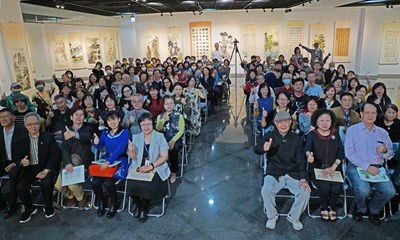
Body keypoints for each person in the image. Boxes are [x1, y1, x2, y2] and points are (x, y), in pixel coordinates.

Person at [254, 112, 310, 231]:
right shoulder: (270, 135)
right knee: (266, 189)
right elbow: (256, 149)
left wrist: (303, 179)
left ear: (291, 122)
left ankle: (294, 216)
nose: (283, 125)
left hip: (293, 173)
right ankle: (272, 216)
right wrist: (263, 148)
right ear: (275, 123)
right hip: (274, 172)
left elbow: (301, 160)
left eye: (286, 122)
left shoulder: (297, 139)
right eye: (279, 122)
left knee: (305, 192)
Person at [345, 103, 396, 225]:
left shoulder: (382, 132)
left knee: (390, 192)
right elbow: (349, 153)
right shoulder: (352, 130)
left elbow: (390, 154)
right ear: (361, 114)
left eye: (373, 113)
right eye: (367, 112)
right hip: (356, 166)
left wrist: (385, 151)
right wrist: (367, 166)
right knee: (363, 190)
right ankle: (361, 208)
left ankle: (374, 209)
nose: (370, 115)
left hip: (378, 168)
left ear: (376, 115)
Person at [15, 112, 61, 223]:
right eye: (29, 124)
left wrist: (46, 170)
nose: (33, 126)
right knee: (21, 186)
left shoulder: (48, 137)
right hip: (30, 168)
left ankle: (48, 205)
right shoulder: (21, 140)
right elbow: (16, 157)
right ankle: (29, 208)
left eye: (35, 123)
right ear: (25, 125)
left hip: (46, 167)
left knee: (46, 183)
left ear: (40, 124)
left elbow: (55, 156)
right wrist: (21, 162)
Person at [127, 112, 170, 223]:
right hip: (139, 166)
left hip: (156, 167)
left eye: (148, 124)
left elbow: (164, 156)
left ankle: (144, 208)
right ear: (140, 126)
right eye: (143, 124)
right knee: (131, 182)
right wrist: (131, 150)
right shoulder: (136, 137)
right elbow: (134, 158)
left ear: (153, 124)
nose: (146, 127)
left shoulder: (159, 136)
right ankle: (138, 204)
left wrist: (151, 166)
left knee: (147, 185)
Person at [305, 109, 344, 221]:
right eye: (321, 120)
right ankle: (324, 207)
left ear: (331, 122)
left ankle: (332, 207)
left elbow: (341, 152)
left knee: (337, 188)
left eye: (327, 120)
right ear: (316, 122)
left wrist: (333, 167)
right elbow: (307, 149)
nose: (324, 123)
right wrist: (309, 155)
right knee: (325, 186)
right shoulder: (312, 134)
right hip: (317, 168)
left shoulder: (335, 133)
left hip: (334, 167)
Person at [92, 111, 129, 218]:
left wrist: (109, 161)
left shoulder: (125, 132)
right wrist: (96, 142)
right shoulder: (105, 132)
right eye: (109, 120)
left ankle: (114, 203)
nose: (112, 122)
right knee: (95, 182)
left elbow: (120, 149)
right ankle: (101, 202)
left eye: (114, 119)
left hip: (120, 161)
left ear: (119, 119)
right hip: (106, 160)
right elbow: (99, 147)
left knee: (109, 183)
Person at [55, 107, 94, 210]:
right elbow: (64, 148)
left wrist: (75, 135)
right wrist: (67, 163)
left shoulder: (88, 129)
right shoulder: (66, 130)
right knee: (58, 185)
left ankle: (81, 198)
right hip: (68, 165)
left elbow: (87, 137)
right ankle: (71, 196)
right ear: (71, 117)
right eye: (76, 114)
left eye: (81, 115)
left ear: (84, 118)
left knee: (72, 184)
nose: (78, 117)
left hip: (83, 164)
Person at [0, 108, 26, 218]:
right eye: (1, 117)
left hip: (18, 162)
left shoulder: (22, 131)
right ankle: (1, 202)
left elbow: (27, 151)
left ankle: (12, 205)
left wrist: (15, 163)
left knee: (14, 176)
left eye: (6, 116)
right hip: (3, 161)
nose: (3, 119)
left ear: (14, 118)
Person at [156, 96, 185, 184]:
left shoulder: (179, 115)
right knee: (156, 150)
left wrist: (173, 140)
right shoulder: (160, 116)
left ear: (174, 104)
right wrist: (162, 121)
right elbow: (158, 129)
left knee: (173, 151)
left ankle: (173, 173)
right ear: (164, 105)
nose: (169, 106)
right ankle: (159, 171)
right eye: (167, 104)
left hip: (176, 140)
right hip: (163, 140)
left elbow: (181, 130)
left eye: (171, 103)